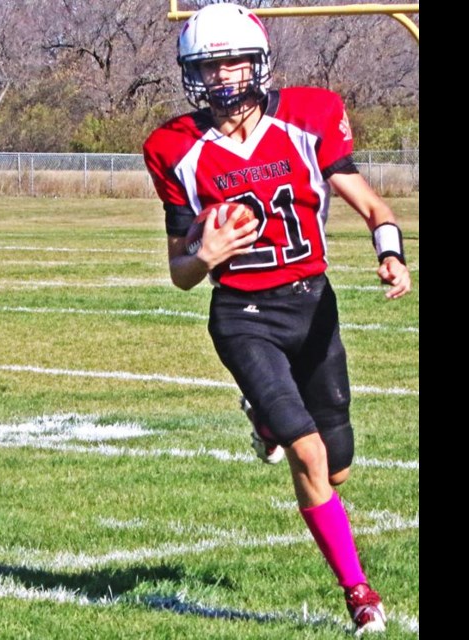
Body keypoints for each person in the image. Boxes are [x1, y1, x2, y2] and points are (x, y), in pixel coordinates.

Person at [143, 3, 411, 635]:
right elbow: (180, 271)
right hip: (243, 313)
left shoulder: (309, 118)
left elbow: (373, 205)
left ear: (259, 62)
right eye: (207, 66)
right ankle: (359, 593)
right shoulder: (174, 148)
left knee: (338, 465)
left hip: (313, 303)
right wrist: (202, 256)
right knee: (310, 457)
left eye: (233, 61)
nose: (222, 77)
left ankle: (266, 415)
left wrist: (391, 253)